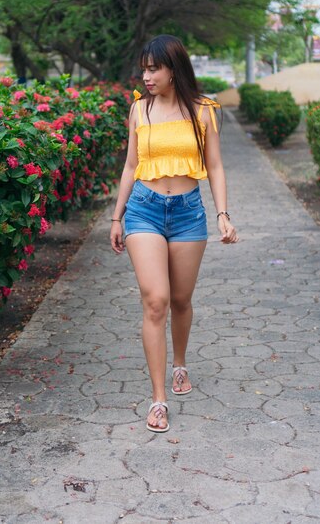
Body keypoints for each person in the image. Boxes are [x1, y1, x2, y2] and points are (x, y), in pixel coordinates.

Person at [110, 34, 238, 433]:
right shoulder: (138, 110)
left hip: (187, 214)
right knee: (156, 301)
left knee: (181, 300)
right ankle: (159, 399)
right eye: (144, 68)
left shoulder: (203, 111)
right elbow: (131, 166)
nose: (146, 76)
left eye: (154, 68)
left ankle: (180, 363)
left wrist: (222, 213)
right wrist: (117, 218)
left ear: (174, 69)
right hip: (144, 210)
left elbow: (214, 165)